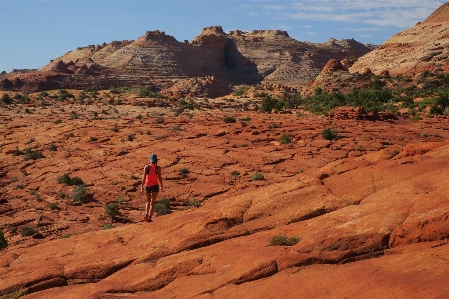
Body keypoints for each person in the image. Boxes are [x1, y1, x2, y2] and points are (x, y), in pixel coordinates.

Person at [140, 154, 164, 222]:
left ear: (150, 160)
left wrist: (141, 187)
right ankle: (149, 219)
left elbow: (144, 177)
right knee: (152, 203)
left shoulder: (146, 167)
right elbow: (160, 178)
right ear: (156, 160)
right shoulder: (158, 168)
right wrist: (162, 186)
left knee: (148, 201)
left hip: (147, 186)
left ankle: (146, 214)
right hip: (155, 186)